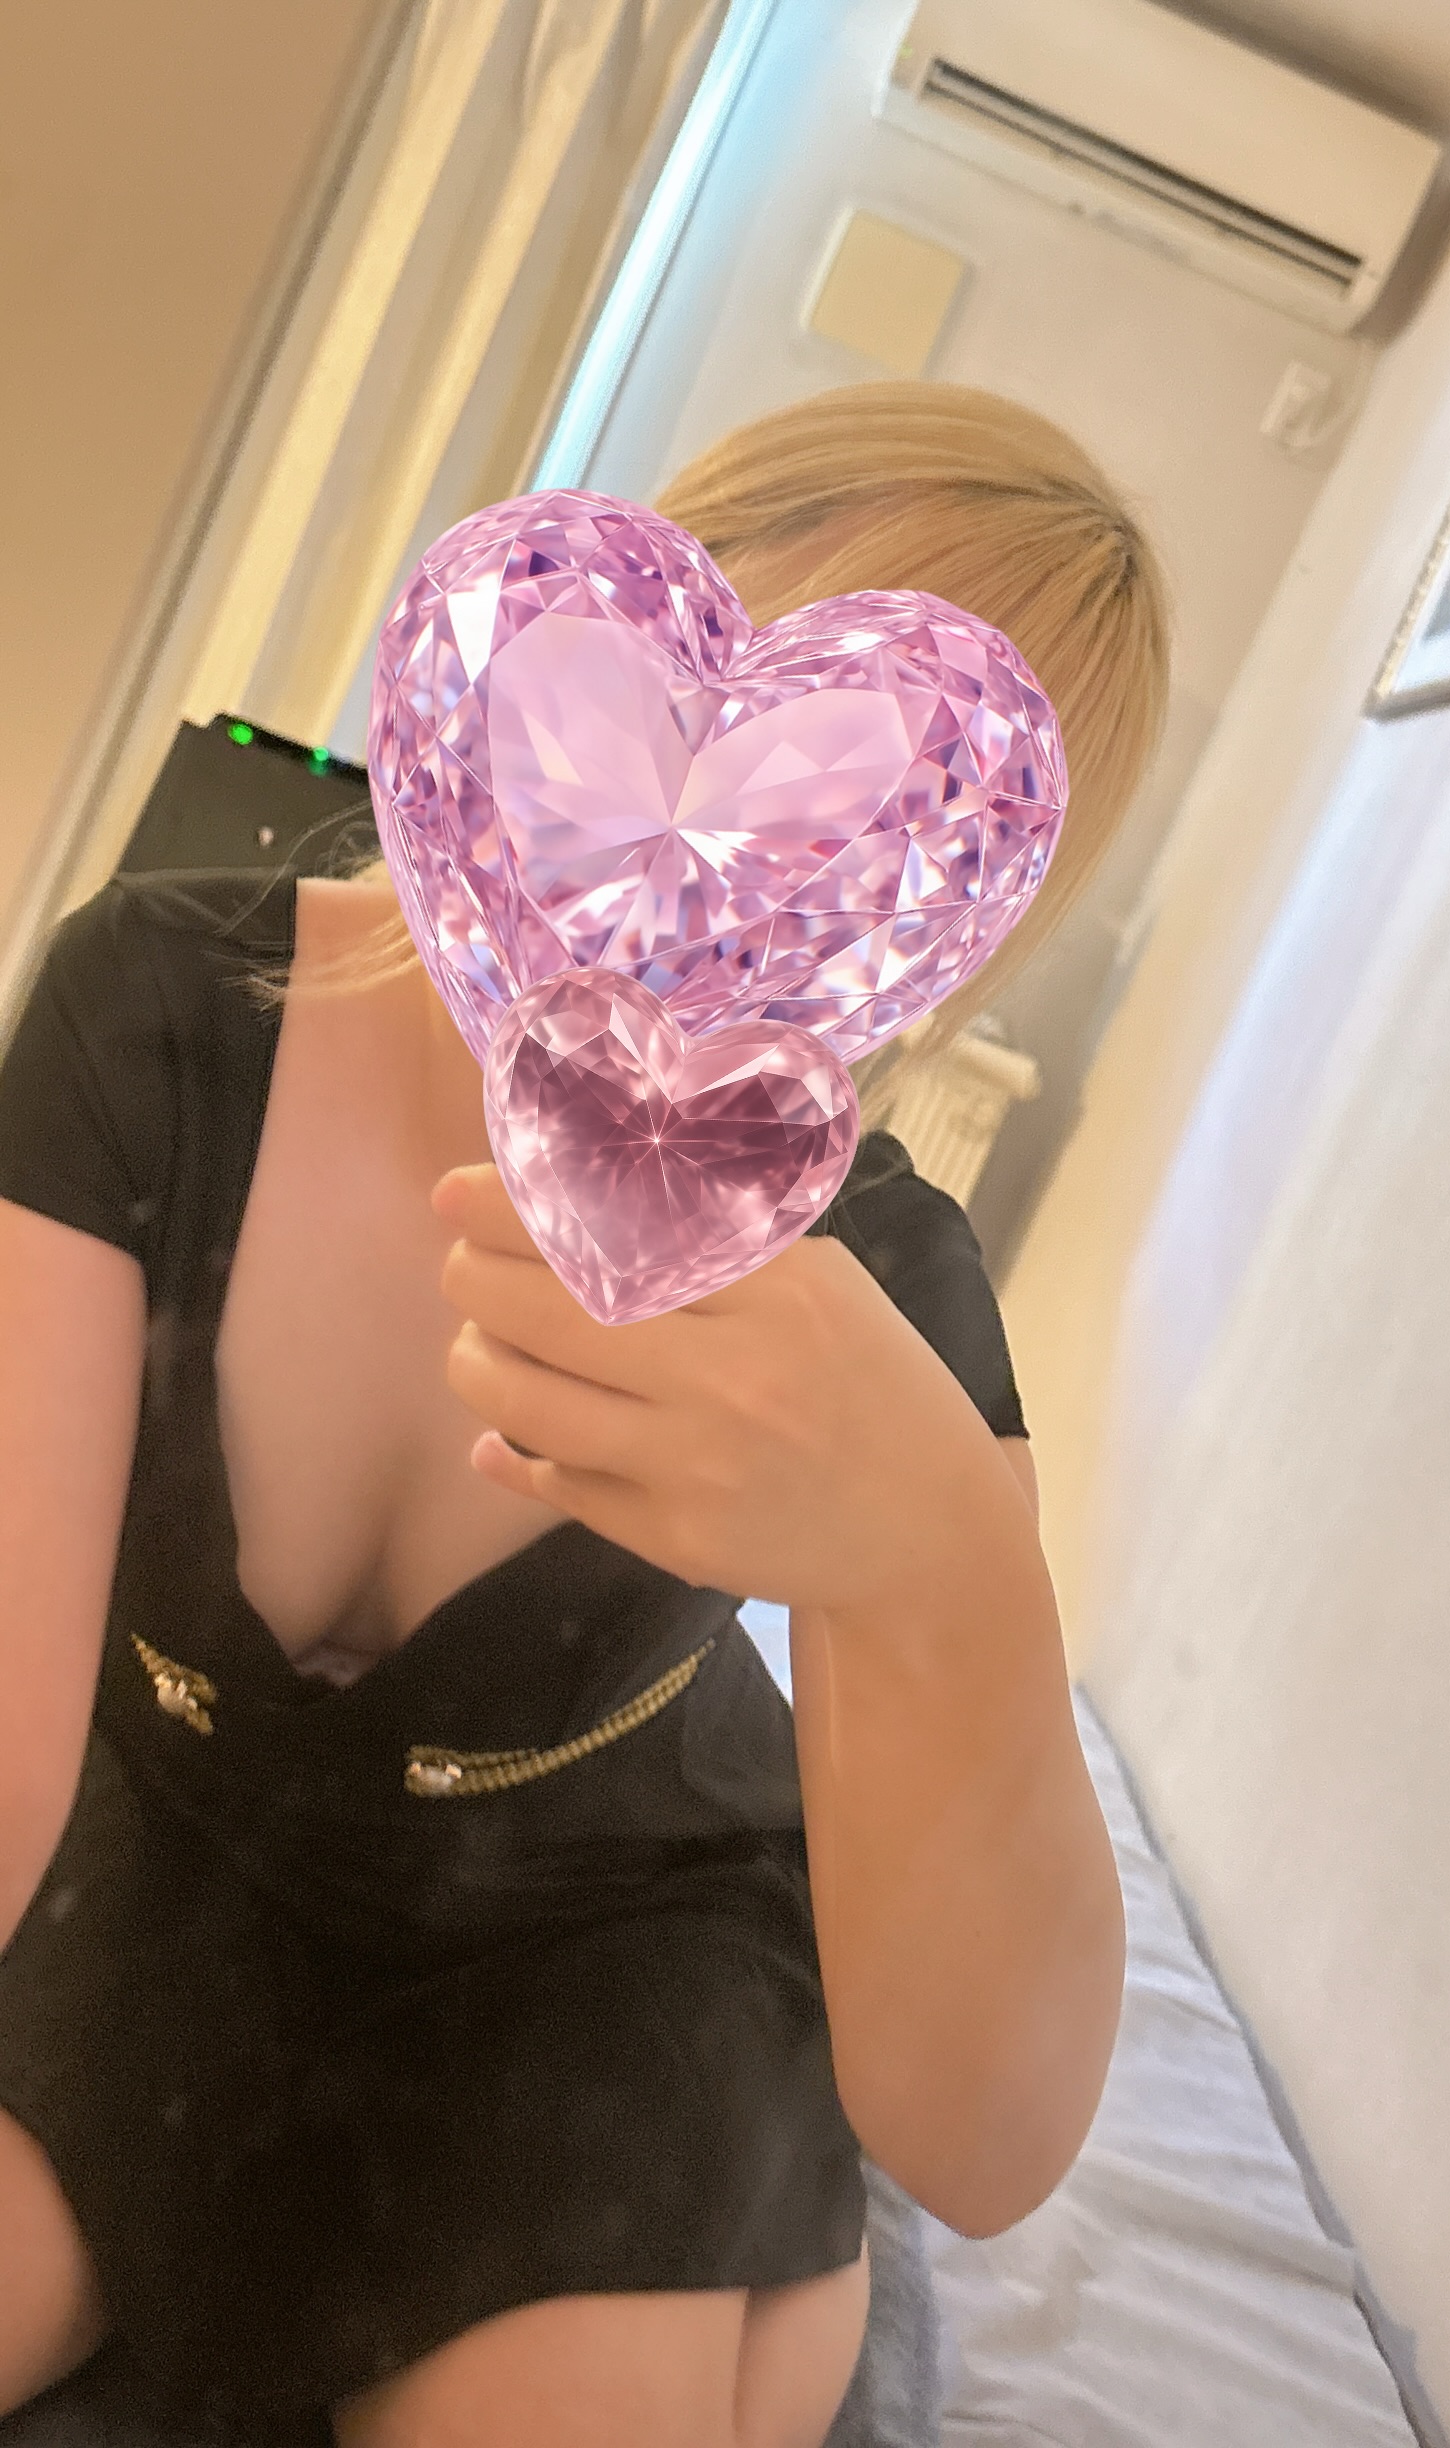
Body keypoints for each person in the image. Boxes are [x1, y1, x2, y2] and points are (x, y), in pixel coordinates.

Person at [0, 382, 1171, 2448]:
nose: (733, 880)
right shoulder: (153, 1009)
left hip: (593, 1954)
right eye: (729, 753)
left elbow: (985, 2139)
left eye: (873, 832)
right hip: (154, 1851)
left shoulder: (872, 1289)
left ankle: (754, 2271)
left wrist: (938, 1565)